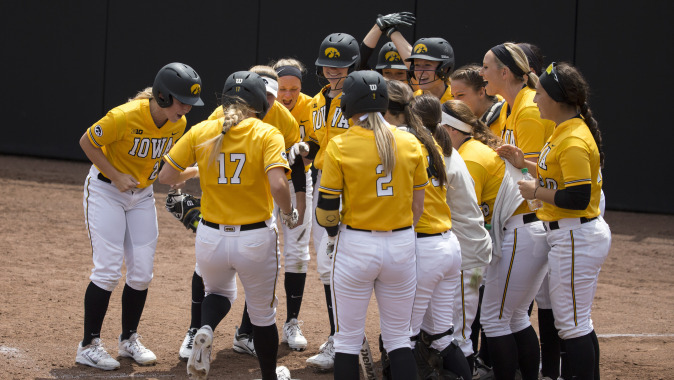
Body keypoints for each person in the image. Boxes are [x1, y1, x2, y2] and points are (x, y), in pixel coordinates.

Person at [158, 71, 297, 380]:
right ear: (259, 102)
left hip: (210, 236)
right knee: (263, 316)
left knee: (219, 293)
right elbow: (277, 185)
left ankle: (204, 329)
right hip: (254, 238)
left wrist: (197, 170)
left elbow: (165, 176)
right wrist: (288, 212)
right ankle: (269, 377)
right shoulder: (266, 132)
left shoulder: (202, 130)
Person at [76, 62, 204, 371]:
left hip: (141, 195)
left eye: (190, 103)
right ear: (162, 96)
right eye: (181, 100)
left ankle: (128, 339)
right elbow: (87, 142)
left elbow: (160, 168)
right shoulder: (124, 116)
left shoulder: (177, 123)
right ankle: (88, 345)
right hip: (107, 191)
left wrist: (187, 172)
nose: (186, 108)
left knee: (142, 273)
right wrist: (116, 175)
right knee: (107, 270)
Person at [497, 62, 611, 380]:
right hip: (569, 235)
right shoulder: (564, 130)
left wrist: (536, 190)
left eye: (542, 94)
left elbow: (576, 197)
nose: (535, 100)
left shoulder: (574, 138)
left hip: (577, 235)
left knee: (573, 326)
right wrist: (525, 164)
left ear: (559, 98)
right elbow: (556, 175)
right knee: (576, 322)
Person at [316, 70, 427, 380]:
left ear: (349, 104)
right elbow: (418, 206)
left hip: (356, 245)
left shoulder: (341, 144)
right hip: (402, 243)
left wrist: (333, 234)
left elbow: (326, 211)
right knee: (398, 340)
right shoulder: (410, 141)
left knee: (347, 341)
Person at [442, 100, 549, 380]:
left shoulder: (470, 156)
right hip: (525, 232)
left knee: (495, 320)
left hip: (519, 234)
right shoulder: (471, 149)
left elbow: (464, 212)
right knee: (514, 318)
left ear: (450, 130)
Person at [385, 85, 470, 379]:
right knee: (442, 337)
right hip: (447, 247)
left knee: (402, 338)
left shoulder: (405, 142)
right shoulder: (433, 142)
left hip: (423, 250)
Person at [305, 32, 360, 371]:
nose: (331, 70)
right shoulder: (314, 102)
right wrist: (301, 151)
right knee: (326, 266)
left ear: (352, 65)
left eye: (338, 65)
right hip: (320, 185)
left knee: (345, 264)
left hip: (351, 187)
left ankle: (343, 338)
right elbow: (314, 144)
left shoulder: (358, 100)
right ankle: (338, 336)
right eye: (326, 64)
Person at [480, 42, 555, 161]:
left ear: (504, 72)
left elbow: (531, 172)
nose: (481, 73)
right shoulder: (507, 105)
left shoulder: (529, 109)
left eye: (486, 67)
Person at [390, 36, 455, 102]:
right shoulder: (410, 102)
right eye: (416, 65)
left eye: (427, 65)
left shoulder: (458, 98)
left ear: (445, 69)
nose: (420, 71)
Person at [450, 64, 506, 137]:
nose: (455, 101)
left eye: (460, 95)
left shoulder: (503, 119)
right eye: (453, 96)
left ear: (481, 92)